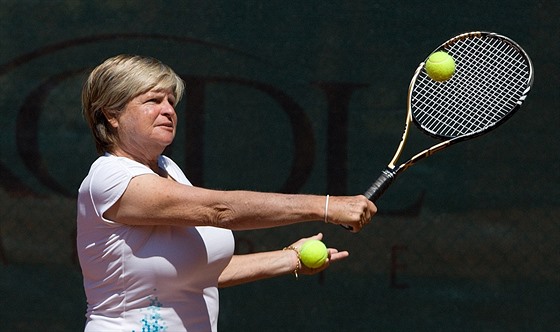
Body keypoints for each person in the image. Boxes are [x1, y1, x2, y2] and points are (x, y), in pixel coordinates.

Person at [77, 54, 377, 332]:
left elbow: (199, 270)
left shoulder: (168, 168)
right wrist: (324, 206)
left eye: (171, 101)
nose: (168, 110)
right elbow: (220, 210)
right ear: (111, 115)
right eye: (153, 100)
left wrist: (290, 259)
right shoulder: (110, 177)